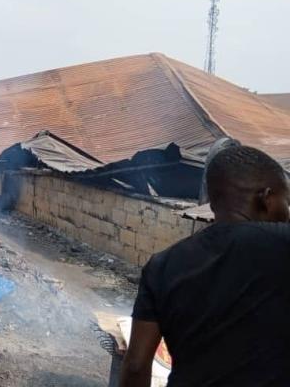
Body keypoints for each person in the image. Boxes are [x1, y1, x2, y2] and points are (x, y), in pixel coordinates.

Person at [120, 146, 290, 386]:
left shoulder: (162, 265)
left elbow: (136, 365)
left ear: (212, 203)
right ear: (266, 198)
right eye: (287, 202)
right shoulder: (282, 244)